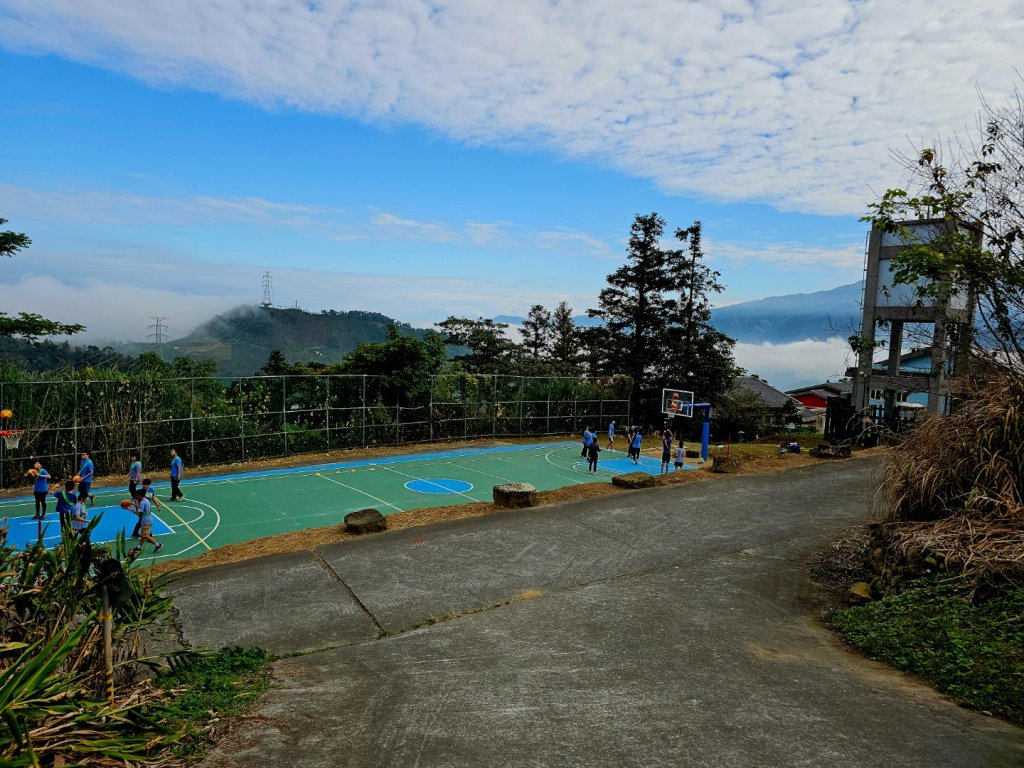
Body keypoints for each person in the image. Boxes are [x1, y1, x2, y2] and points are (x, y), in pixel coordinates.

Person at [129, 489, 163, 556]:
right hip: (148, 519)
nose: (136, 496)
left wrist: (129, 509)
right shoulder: (146, 500)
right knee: (143, 535)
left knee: (146, 536)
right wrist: (134, 504)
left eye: (137, 495)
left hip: (145, 521)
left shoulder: (142, 503)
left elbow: (139, 513)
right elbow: (140, 509)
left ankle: (158, 545)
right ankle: (139, 547)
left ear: (140, 495)